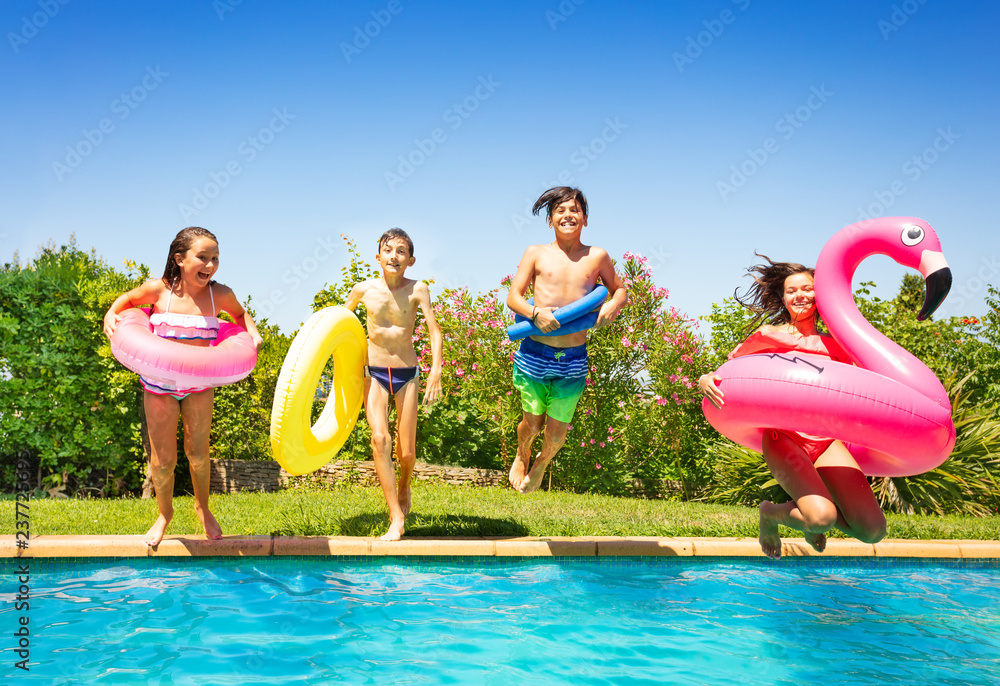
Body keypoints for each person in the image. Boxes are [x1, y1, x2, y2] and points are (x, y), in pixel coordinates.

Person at [699, 255, 887, 559]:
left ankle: (809, 517)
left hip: (825, 441)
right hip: (783, 438)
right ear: (783, 298)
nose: (800, 295)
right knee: (821, 518)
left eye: (808, 288)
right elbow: (731, 373)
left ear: (820, 294)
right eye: (791, 290)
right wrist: (704, 378)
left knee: (872, 530)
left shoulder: (838, 346)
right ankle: (770, 514)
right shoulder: (768, 337)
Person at [103, 227, 263, 546]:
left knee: (198, 454)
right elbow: (128, 299)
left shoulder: (221, 294)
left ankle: (202, 508)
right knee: (163, 462)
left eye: (215, 258)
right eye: (202, 257)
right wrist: (111, 313)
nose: (210, 265)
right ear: (179, 259)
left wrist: (253, 334)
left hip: (199, 385)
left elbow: (241, 316)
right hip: (159, 385)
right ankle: (165, 514)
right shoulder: (160, 291)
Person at [506, 187, 628, 493]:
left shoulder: (596, 256)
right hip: (535, 350)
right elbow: (513, 298)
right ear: (550, 220)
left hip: (573, 357)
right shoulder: (536, 252)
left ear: (585, 219)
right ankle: (521, 454)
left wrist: (613, 303)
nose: (567, 215)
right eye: (560, 211)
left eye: (574, 210)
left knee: (557, 434)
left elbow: (619, 289)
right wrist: (535, 314)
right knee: (532, 424)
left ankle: (542, 463)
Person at [344, 228, 443, 541]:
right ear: (378, 257)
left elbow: (435, 331)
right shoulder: (362, 290)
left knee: (407, 452)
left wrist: (436, 371)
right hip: (373, 372)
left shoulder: (418, 290)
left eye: (401, 251)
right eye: (388, 250)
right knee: (379, 439)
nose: (394, 256)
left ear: (410, 260)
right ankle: (395, 516)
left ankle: (405, 487)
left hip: (407, 373)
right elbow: (338, 324)